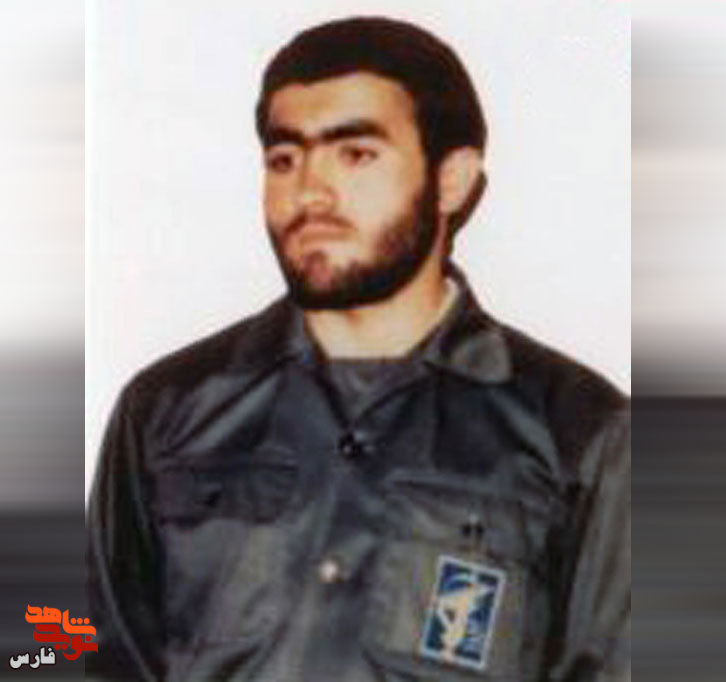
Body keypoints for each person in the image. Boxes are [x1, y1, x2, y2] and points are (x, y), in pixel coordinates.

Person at [87, 16, 630, 682]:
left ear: (451, 180)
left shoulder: (580, 435)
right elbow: (82, 649)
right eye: (284, 159)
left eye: (356, 154)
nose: (310, 192)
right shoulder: (163, 411)